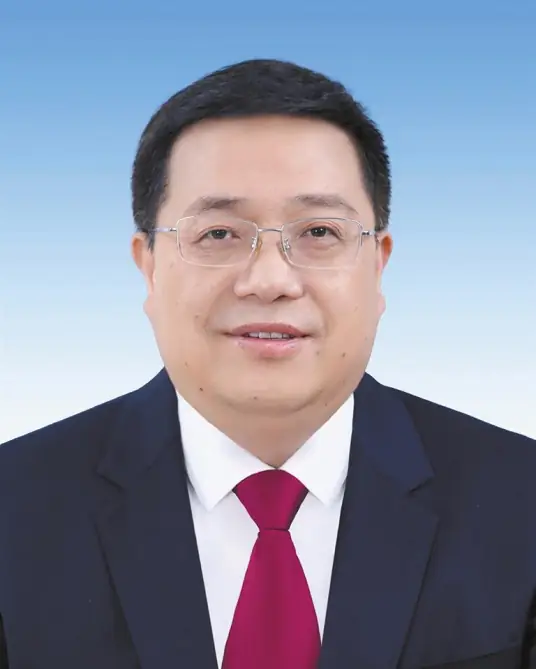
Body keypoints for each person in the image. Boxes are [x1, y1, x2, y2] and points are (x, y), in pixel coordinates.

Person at [0, 58, 535, 669]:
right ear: (148, 267)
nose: (271, 280)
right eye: (219, 234)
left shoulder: (521, 503)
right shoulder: (14, 509)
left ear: (377, 264)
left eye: (319, 232)